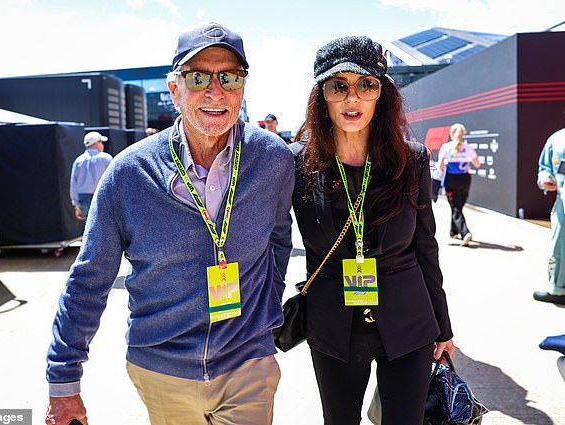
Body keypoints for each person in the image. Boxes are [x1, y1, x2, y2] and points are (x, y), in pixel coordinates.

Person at [44, 21, 294, 425]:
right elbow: (89, 280)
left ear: (243, 88)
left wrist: (263, 314)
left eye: (229, 77)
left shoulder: (273, 159)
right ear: (174, 89)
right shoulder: (129, 173)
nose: (216, 92)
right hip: (161, 371)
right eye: (198, 77)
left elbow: (279, 239)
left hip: (248, 364)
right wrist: (63, 381)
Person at [289, 35, 455, 425]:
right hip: (332, 323)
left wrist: (443, 327)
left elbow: (425, 247)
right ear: (322, 95)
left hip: (408, 321)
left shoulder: (411, 158)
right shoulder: (297, 163)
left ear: (382, 93)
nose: (353, 98)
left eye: (367, 84)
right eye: (338, 85)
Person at [533, 127, 565, 305]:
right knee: (560, 244)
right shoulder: (557, 139)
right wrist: (545, 179)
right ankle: (558, 289)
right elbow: (545, 168)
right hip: (563, 202)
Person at [436, 123, 481, 246]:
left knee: (456, 207)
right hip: (465, 180)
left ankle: (465, 232)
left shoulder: (446, 147)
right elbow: (477, 164)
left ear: (451, 134)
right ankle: (453, 231)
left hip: (452, 179)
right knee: (458, 206)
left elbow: (440, 166)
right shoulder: (468, 148)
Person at [69, 131, 113, 221]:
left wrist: (76, 205)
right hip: (102, 196)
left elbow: (74, 184)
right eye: (101, 142)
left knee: (89, 227)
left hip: (83, 198)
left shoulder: (78, 160)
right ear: (96, 143)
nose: (102, 145)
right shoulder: (106, 158)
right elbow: (114, 180)